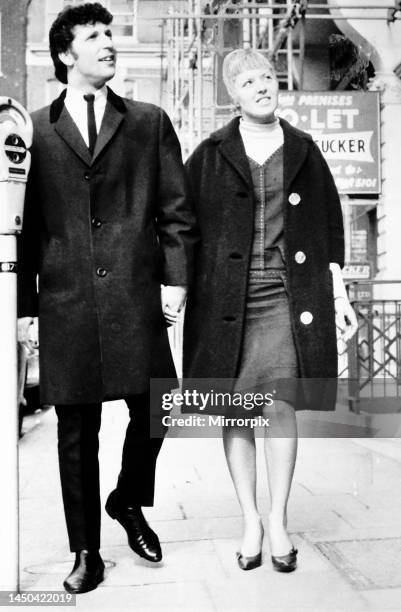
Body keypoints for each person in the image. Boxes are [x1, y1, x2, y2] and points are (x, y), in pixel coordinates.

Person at [17, 2, 196, 594]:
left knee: (157, 406)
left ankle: (126, 498)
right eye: (94, 37)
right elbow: (21, 227)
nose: (108, 44)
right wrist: (23, 310)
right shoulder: (36, 132)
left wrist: (175, 280)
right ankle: (86, 550)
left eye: (110, 34)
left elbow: (175, 211)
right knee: (76, 432)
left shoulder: (148, 121)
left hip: (133, 293)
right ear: (66, 54)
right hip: (66, 302)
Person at [183, 48, 357, 573]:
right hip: (225, 300)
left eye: (268, 77)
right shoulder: (209, 154)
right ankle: (250, 519)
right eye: (248, 81)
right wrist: (174, 288)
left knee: (278, 405)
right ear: (232, 96)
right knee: (235, 408)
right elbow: (181, 228)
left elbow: (329, 228)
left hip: (287, 295)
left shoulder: (303, 149)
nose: (262, 86)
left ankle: (279, 519)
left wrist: (339, 293)